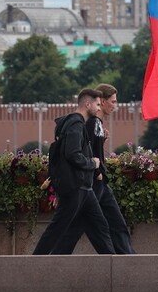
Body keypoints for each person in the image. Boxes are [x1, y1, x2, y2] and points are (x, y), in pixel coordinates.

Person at [54, 83, 136, 254]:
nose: (115, 105)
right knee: (86, 226)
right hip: (93, 183)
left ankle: (126, 260)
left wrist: (101, 141)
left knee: (107, 224)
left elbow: (90, 149)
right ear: (102, 101)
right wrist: (96, 171)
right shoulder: (92, 123)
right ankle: (123, 262)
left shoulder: (96, 124)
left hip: (97, 183)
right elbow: (81, 153)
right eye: (112, 101)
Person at [32, 88, 115, 255]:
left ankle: (113, 266)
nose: (99, 108)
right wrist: (92, 163)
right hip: (76, 187)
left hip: (84, 188)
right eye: (97, 104)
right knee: (58, 228)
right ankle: (35, 263)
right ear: (87, 103)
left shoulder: (74, 124)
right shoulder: (75, 124)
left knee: (100, 226)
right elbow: (73, 154)